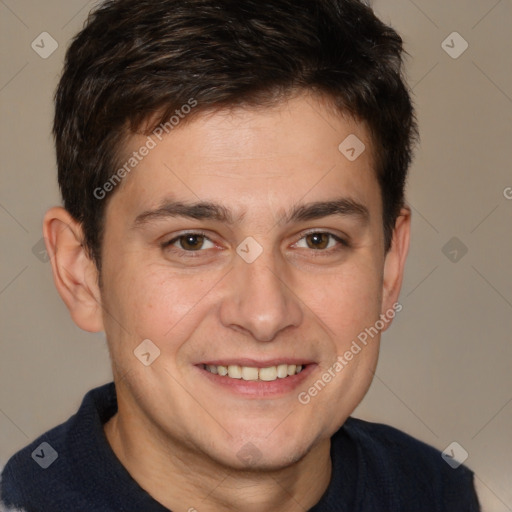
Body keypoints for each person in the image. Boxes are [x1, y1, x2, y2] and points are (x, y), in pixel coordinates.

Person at [0, 0, 481, 510]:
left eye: (318, 240)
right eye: (191, 242)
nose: (264, 314)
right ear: (81, 272)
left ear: (389, 265)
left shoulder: (436, 492)